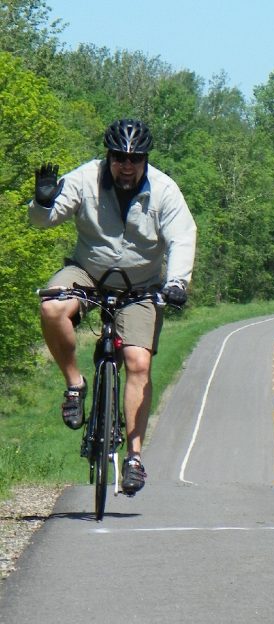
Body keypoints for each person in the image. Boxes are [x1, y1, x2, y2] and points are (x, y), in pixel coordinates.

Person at [29, 119, 197, 496]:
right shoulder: (85, 178)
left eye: (134, 159)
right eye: (119, 157)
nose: (126, 165)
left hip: (141, 284)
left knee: (138, 362)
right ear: (108, 156)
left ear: (145, 160)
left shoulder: (165, 190)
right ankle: (75, 384)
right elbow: (44, 220)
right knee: (52, 308)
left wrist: (177, 282)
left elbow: (182, 237)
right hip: (87, 271)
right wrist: (41, 201)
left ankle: (134, 457)